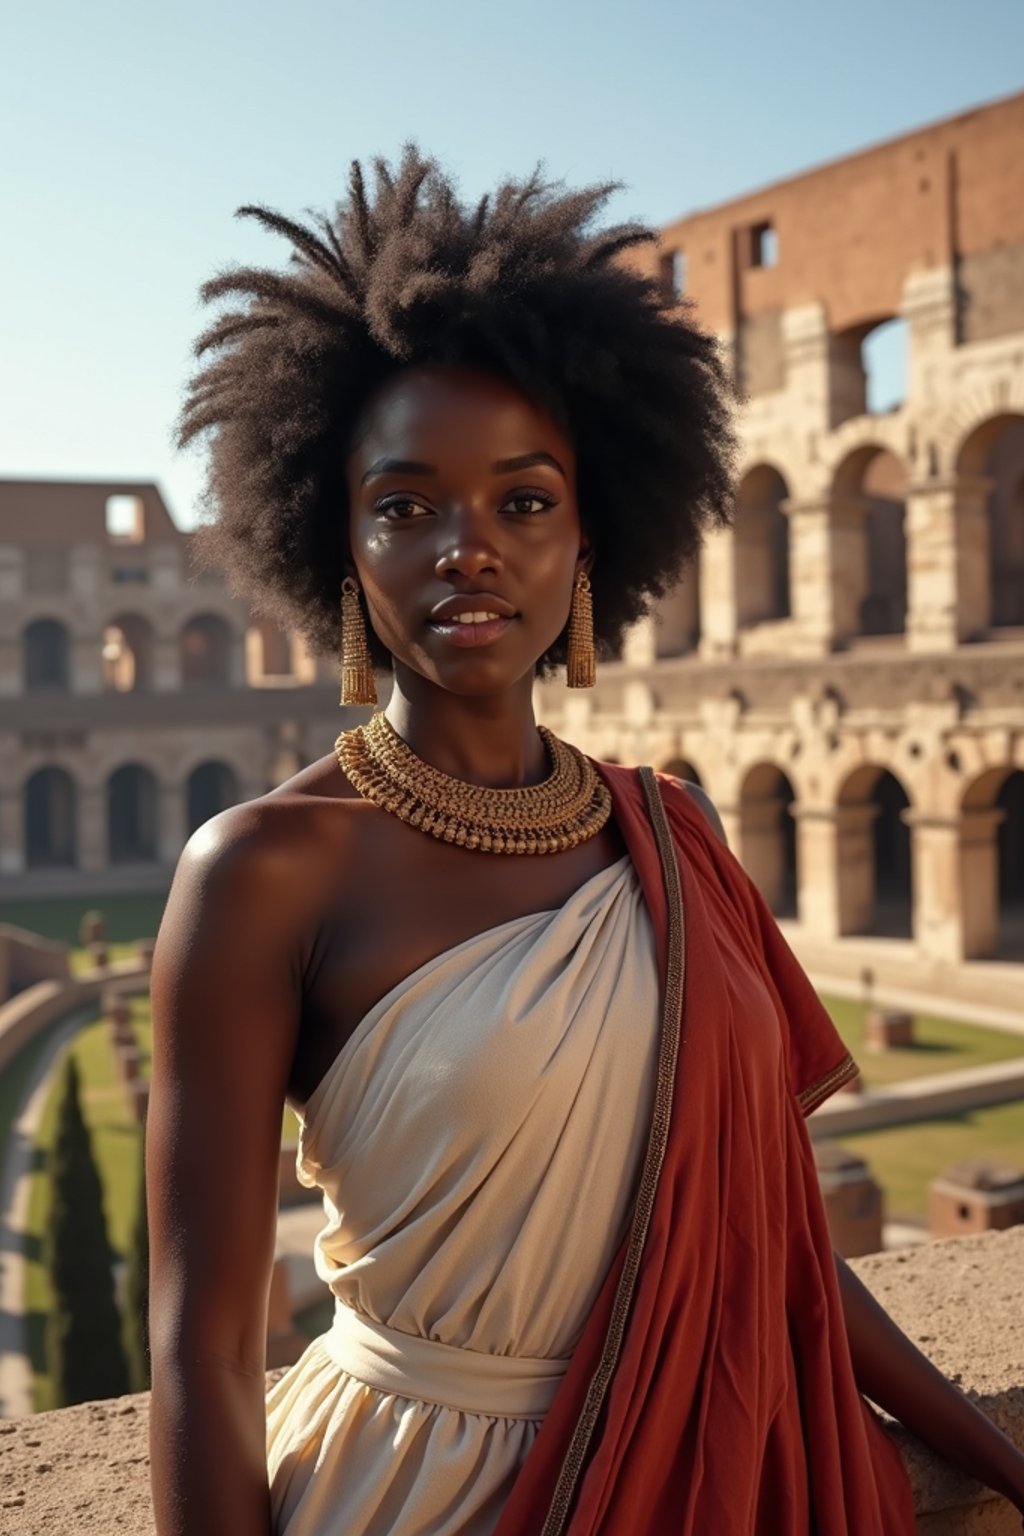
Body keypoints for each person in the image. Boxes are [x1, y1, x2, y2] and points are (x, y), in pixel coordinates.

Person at [147, 151, 1024, 1536]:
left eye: (524, 501)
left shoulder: (670, 834)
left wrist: (998, 1453)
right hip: (406, 1491)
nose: (467, 550)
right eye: (404, 506)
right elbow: (198, 1348)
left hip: (715, 1478)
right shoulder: (260, 870)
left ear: (591, 539)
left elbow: (783, 1251)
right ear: (339, 549)